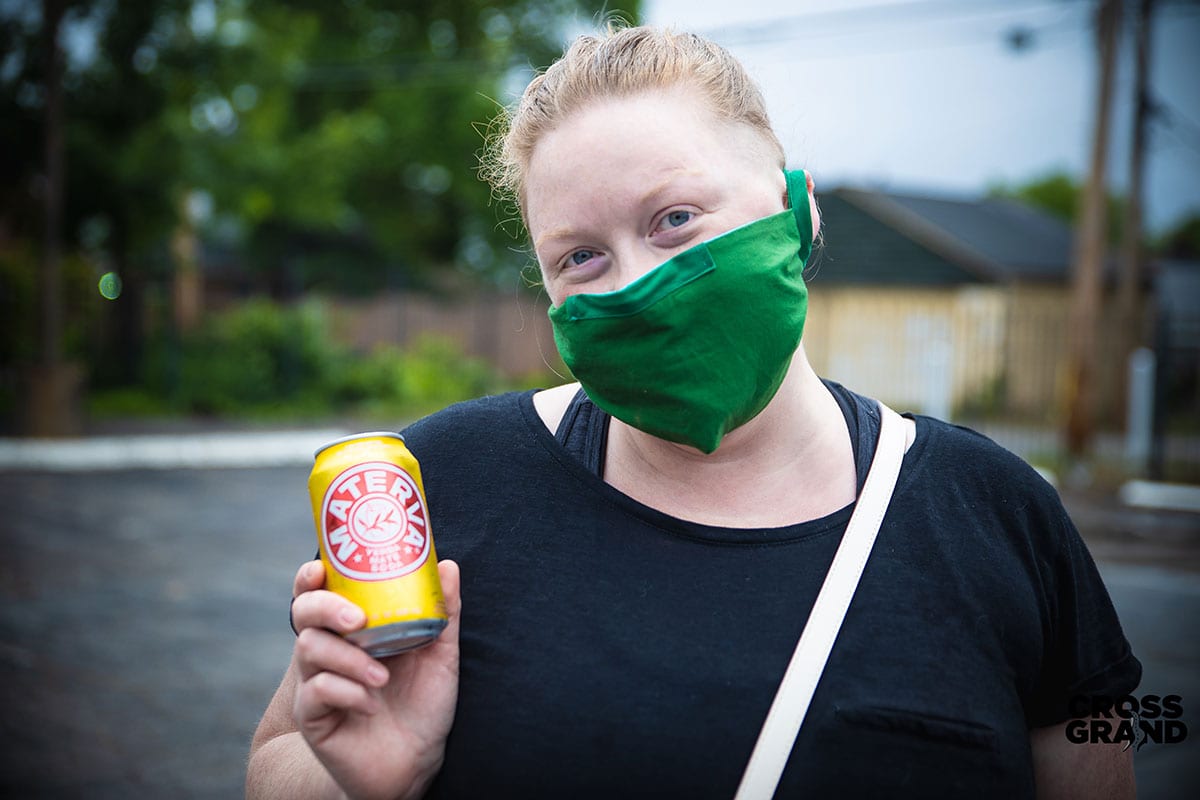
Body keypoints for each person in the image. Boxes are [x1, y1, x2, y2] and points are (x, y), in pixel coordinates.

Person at [246, 25, 1141, 799]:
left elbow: (1104, 756)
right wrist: (364, 780)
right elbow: (274, 760)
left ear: (798, 210)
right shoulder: (442, 483)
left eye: (675, 219)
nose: (638, 283)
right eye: (581, 257)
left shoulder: (1000, 510)